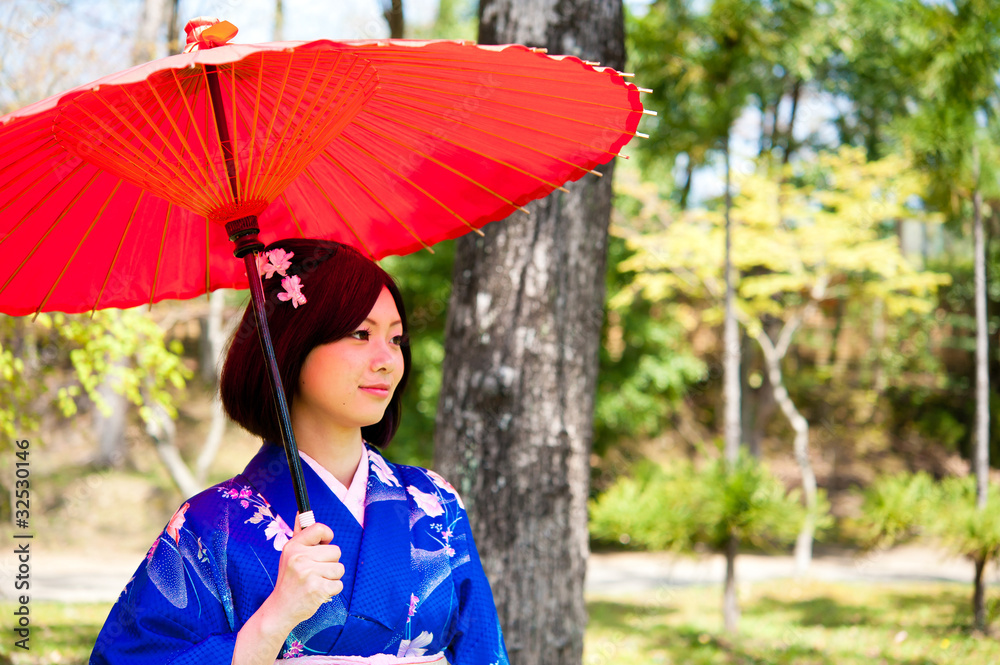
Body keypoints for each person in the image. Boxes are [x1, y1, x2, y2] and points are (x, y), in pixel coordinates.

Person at [90, 239, 509, 665]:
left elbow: (482, 651)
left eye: (396, 338)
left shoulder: (435, 502)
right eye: (361, 334)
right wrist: (275, 617)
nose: (387, 360)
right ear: (293, 345)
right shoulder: (210, 525)